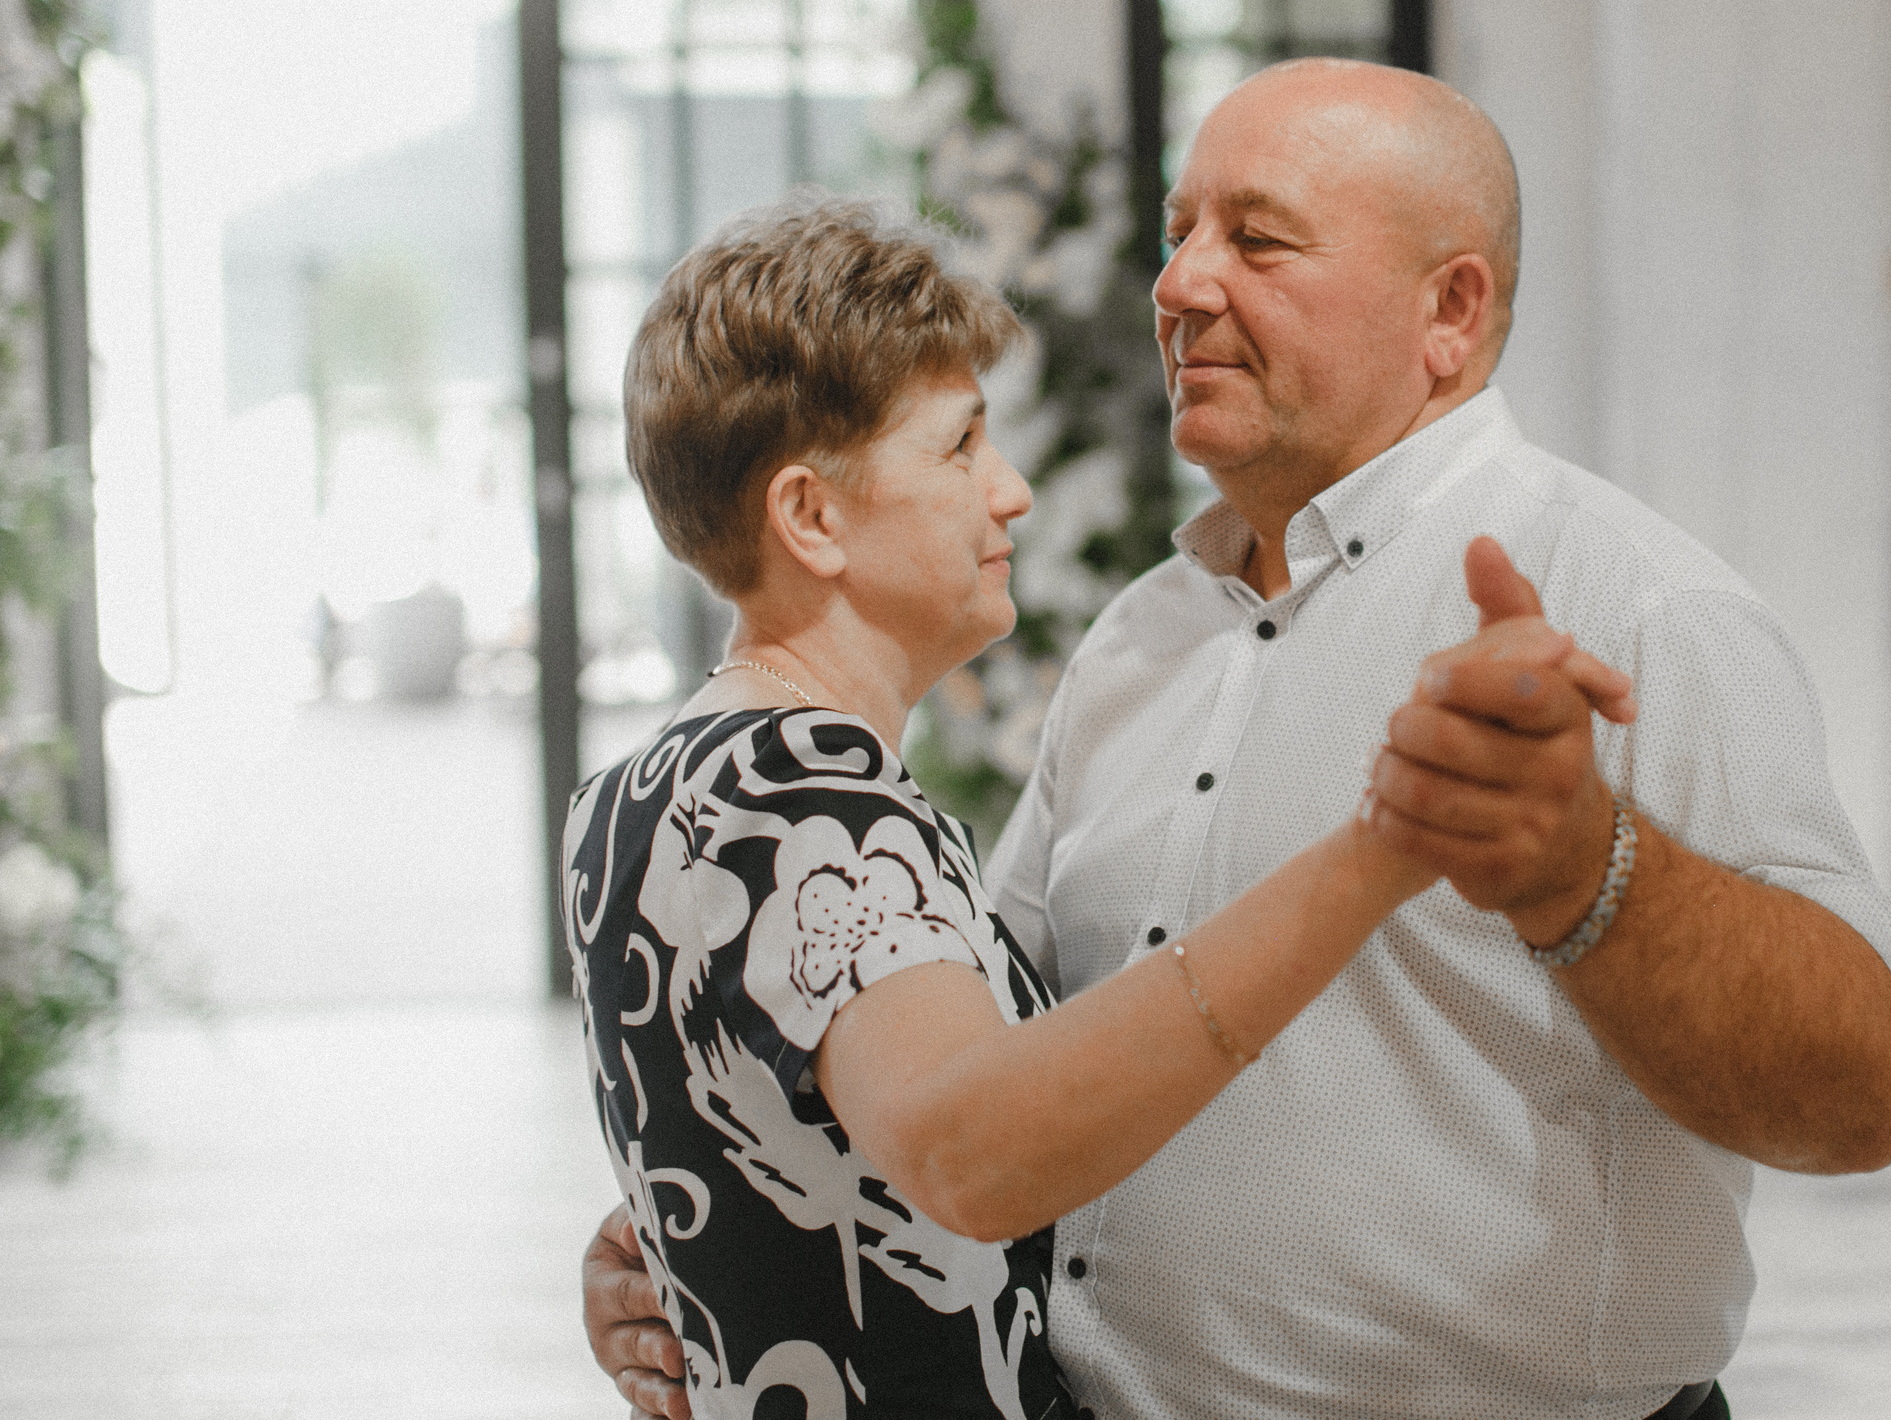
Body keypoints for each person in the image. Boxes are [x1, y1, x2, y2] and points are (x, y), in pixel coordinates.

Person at [588, 62, 1891, 1420]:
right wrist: (728, 1230)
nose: (1179, 283)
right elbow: (976, 1063)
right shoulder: (1136, 639)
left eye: (1259, 238)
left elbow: (1867, 1096)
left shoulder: (1636, 604)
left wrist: (1589, 866)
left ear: (1449, 311)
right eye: (1179, 232)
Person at [564, 197, 1635, 1420]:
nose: (1010, 492)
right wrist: (1387, 844)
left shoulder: (637, 792)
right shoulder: (803, 790)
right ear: (811, 517)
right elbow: (972, 1150)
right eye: (960, 447)